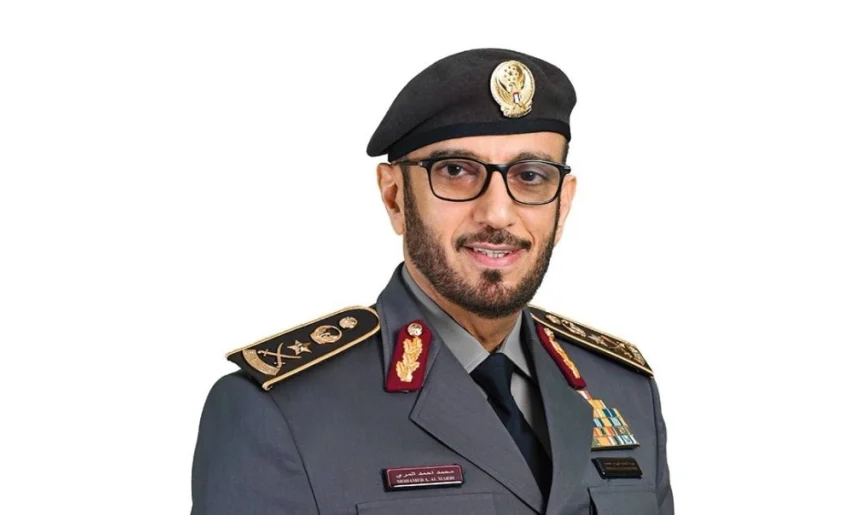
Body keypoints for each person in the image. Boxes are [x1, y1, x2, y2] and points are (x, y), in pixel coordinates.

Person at [190, 47, 674, 515]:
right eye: (456, 171)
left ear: (562, 204)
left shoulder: (624, 390)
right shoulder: (282, 412)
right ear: (395, 197)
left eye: (530, 176)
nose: (497, 213)